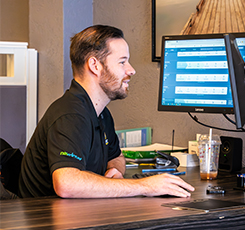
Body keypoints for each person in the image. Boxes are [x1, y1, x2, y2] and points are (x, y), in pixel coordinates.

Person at [18, 25, 194, 198]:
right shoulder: (70, 115)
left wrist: (115, 170)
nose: (131, 70)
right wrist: (144, 186)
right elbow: (66, 184)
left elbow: (116, 156)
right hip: (45, 220)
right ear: (95, 65)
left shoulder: (100, 113)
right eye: (122, 62)